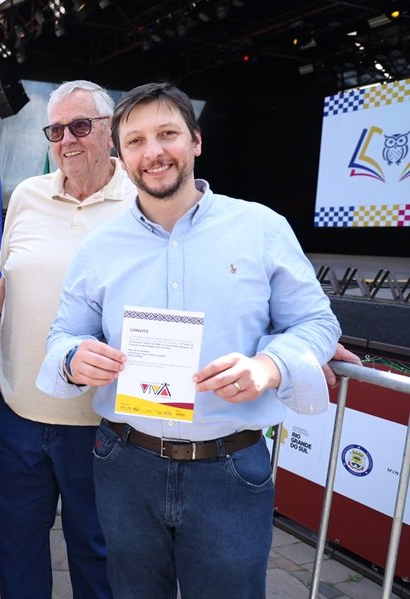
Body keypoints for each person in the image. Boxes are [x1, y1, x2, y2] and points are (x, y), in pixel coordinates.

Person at [37, 82, 342, 599]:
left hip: (230, 468)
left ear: (196, 141)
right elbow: (65, 334)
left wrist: (271, 367)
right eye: (135, 141)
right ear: (120, 153)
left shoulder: (261, 228)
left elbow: (317, 323)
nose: (152, 152)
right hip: (125, 465)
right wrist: (71, 358)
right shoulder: (99, 248)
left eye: (167, 134)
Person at [0, 79, 135, 599]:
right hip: (17, 415)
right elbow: (5, 293)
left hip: (101, 425)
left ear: (111, 131)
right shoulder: (26, 196)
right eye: (56, 129)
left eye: (80, 126)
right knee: (17, 554)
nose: (66, 140)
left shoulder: (142, 201)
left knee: (99, 561)